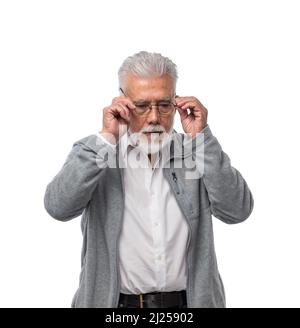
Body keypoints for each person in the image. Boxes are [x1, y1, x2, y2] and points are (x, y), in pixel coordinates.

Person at [44, 51, 254, 308]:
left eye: (164, 105)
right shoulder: (98, 154)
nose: (154, 117)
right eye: (142, 106)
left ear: (176, 103)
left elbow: (238, 210)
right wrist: (106, 138)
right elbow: (58, 206)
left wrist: (202, 140)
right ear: (122, 102)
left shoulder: (196, 152)